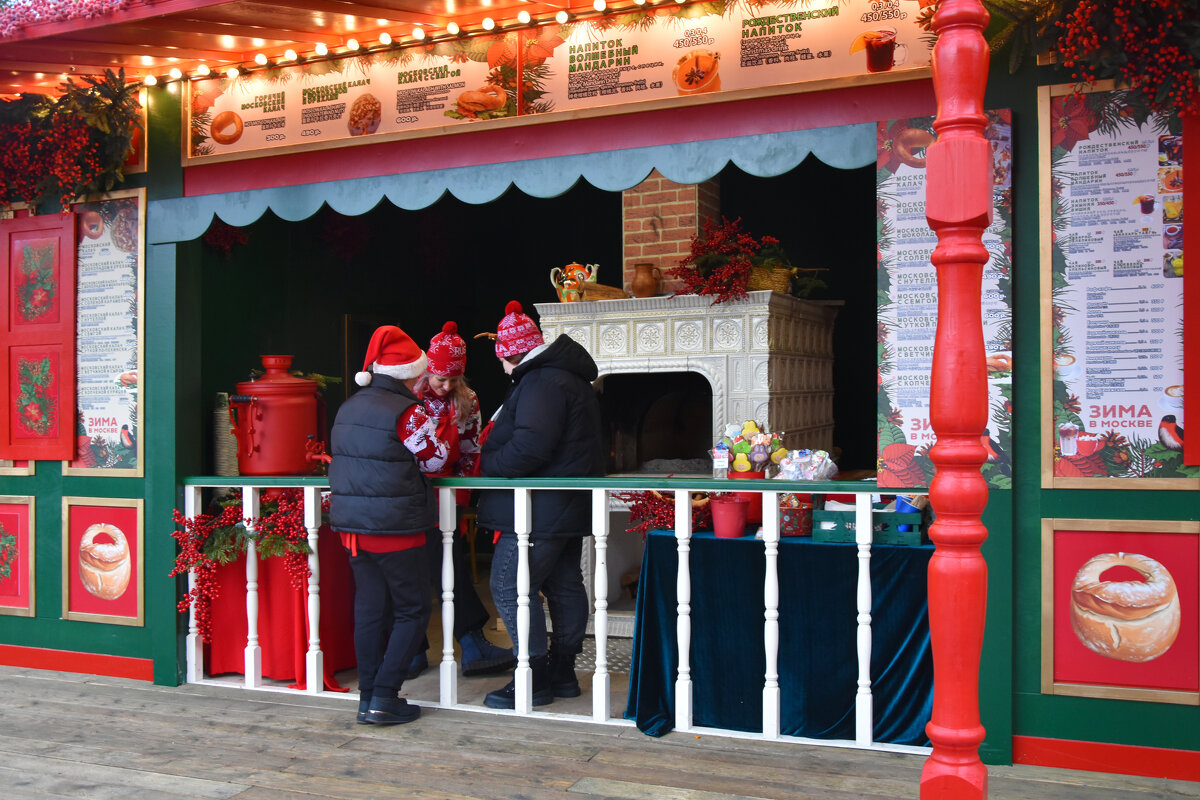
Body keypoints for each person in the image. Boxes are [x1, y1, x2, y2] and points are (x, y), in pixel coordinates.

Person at [476, 301, 604, 709]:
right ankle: (562, 674)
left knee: (510, 586)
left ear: (510, 354)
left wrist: (487, 464)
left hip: (538, 508)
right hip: (563, 504)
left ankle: (530, 677)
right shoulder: (566, 377)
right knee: (564, 584)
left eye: (501, 359)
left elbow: (530, 447)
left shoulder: (541, 381)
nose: (502, 369)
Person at [328, 324, 441, 725]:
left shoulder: (347, 407)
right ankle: (385, 697)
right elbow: (434, 460)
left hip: (352, 529)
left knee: (370, 611)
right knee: (412, 610)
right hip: (395, 527)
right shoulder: (408, 412)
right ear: (412, 374)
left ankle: (367, 699)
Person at [409, 321, 515, 678]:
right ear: (428, 370)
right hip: (411, 494)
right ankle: (418, 648)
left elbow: (471, 452)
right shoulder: (411, 396)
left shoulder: (467, 399)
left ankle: (467, 645)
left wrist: (460, 495)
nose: (447, 386)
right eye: (441, 379)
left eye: (454, 379)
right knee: (413, 570)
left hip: (447, 495)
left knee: (448, 566)